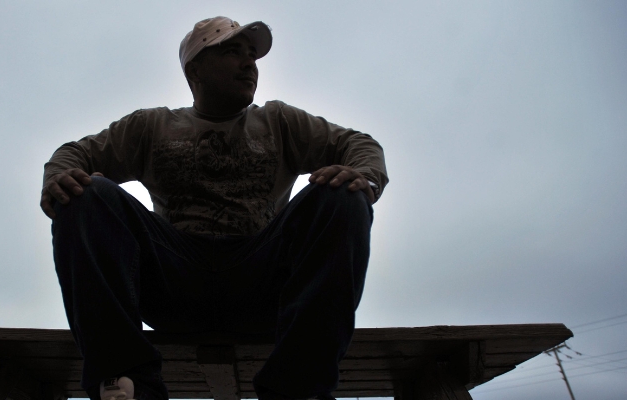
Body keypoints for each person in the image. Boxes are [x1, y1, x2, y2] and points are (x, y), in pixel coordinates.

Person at [41, 16, 388, 400]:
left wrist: (367, 177)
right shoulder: (152, 125)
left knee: (341, 194)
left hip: (262, 284)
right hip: (174, 284)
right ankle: (125, 381)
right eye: (231, 52)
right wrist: (58, 175)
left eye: (252, 55)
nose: (249, 63)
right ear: (195, 70)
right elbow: (76, 153)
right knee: (86, 194)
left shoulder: (279, 121)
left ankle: (300, 388)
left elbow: (359, 144)